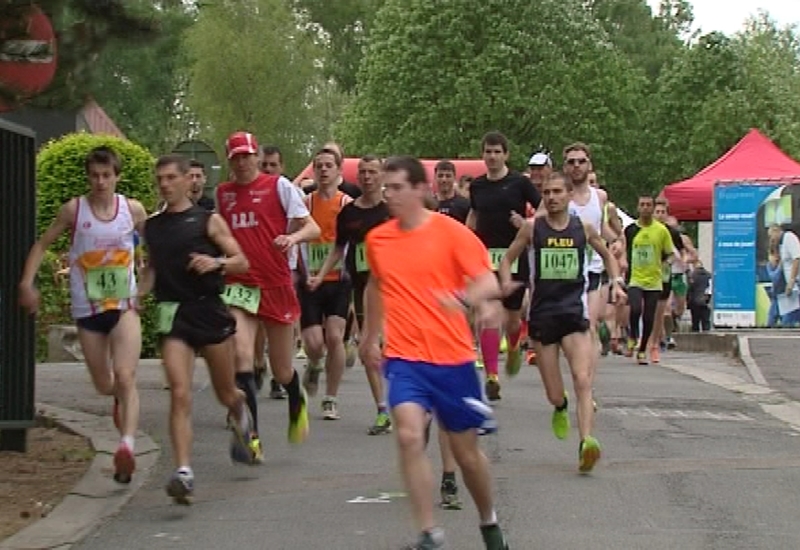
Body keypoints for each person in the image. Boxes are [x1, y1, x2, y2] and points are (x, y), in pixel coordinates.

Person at [361, 155, 509, 550]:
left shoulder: (451, 234)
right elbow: (375, 285)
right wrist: (369, 334)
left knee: (467, 455)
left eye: (395, 187)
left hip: (452, 359)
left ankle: (489, 522)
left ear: (419, 189)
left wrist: (464, 298)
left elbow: (486, 281)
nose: (387, 194)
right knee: (409, 436)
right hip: (404, 357)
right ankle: (429, 533)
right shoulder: (379, 240)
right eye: (385, 188)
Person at [19, 146, 147, 484]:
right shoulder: (74, 210)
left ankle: (127, 447)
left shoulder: (132, 210)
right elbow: (42, 245)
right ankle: (118, 403)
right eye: (94, 175)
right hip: (88, 310)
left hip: (122, 306)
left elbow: (158, 245)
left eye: (107, 175)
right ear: (88, 177)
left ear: (117, 176)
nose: (100, 182)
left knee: (125, 375)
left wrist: (148, 284)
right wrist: (27, 283)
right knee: (105, 384)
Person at [140, 154, 257, 503]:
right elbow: (150, 269)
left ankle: (240, 414)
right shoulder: (152, 226)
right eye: (159, 179)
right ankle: (184, 471)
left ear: (186, 181)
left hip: (207, 310)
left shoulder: (208, 221)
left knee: (226, 392)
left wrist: (216, 262)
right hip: (171, 313)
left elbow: (241, 260)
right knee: (179, 391)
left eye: (170, 178)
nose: (164, 184)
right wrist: (134, 296)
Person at [500, 172, 625, 472]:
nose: (552, 197)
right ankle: (559, 406)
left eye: (557, 192)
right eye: (546, 192)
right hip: (543, 316)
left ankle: (587, 442)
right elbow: (507, 259)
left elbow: (607, 256)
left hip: (574, 312)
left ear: (569, 195)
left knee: (583, 380)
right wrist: (505, 282)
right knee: (554, 392)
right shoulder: (532, 228)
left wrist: (617, 282)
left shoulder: (583, 227)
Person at [216, 131, 320, 462]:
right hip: (240, 286)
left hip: (275, 285)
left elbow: (313, 228)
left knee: (282, 370)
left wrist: (293, 238)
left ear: (257, 157)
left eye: (248, 156)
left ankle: (296, 395)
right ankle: (252, 438)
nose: (243, 163)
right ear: (229, 161)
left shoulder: (278, 186)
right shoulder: (223, 195)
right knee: (242, 356)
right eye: (236, 158)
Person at [466, 131, 541, 400]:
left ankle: (512, 347)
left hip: (513, 256)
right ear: (483, 154)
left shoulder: (519, 183)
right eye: (488, 151)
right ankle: (491, 376)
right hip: (485, 258)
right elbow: (473, 215)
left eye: (498, 151)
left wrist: (527, 223)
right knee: (487, 315)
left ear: (506, 154)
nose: (493, 156)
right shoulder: (477, 186)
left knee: (511, 318)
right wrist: (465, 241)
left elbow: (543, 209)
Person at [300, 148, 354, 420]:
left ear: (338, 171)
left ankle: (330, 398)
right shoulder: (305, 204)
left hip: (339, 280)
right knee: (314, 343)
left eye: (328, 166)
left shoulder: (346, 204)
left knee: (334, 337)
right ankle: (313, 363)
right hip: (309, 279)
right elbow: (293, 237)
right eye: (318, 166)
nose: (323, 170)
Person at [623, 193, 674, 364]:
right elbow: (624, 250)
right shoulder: (631, 230)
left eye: (648, 205)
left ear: (652, 208)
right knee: (635, 308)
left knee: (649, 316)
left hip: (654, 280)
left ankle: (643, 349)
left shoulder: (661, 230)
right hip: (635, 278)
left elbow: (670, 253)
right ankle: (632, 335)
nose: (645, 208)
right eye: (642, 205)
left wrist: (666, 263)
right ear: (638, 208)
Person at [687, 261, 712, 332]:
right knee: (706, 323)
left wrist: (688, 302)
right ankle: (707, 339)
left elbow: (689, 290)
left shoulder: (692, 276)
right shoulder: (709, 275)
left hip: (694, 303)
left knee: (695, 323)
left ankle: (695, 340)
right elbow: (711, 289)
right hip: (706, 302)